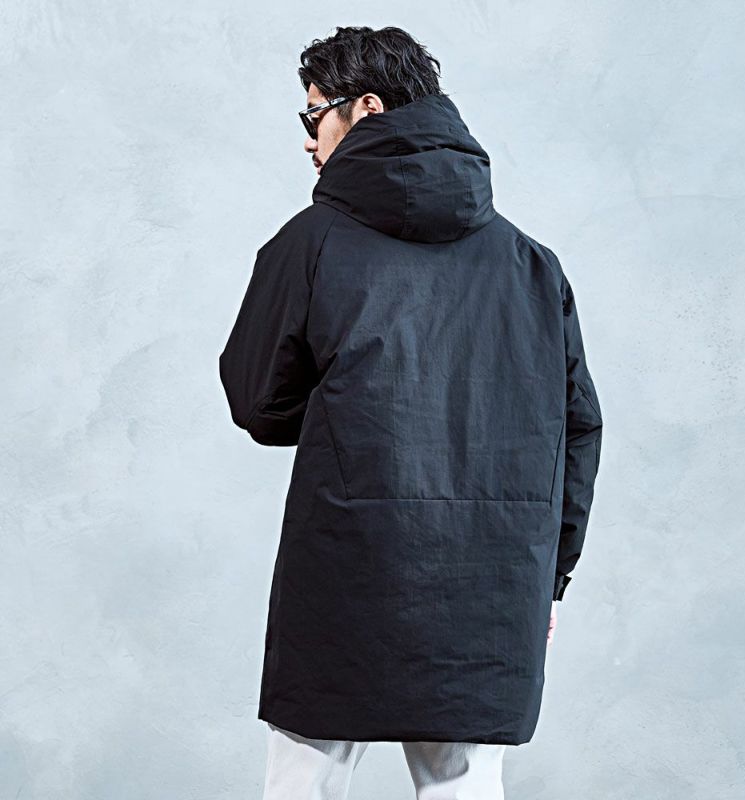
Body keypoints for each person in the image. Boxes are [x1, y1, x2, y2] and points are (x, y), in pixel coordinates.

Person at [218, 25, 603, 800]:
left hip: (346, 573)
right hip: (492, 585)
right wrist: (550, 577)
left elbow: (260, 403)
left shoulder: (310, 244)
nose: (307, 139)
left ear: (364, 108)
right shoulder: (532, 265)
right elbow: (577, 432)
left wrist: (340, 404)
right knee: (463, 786)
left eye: (313, 114)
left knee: (305, 781)